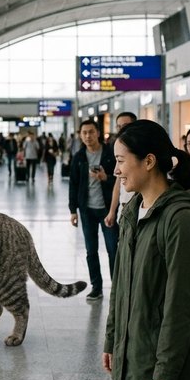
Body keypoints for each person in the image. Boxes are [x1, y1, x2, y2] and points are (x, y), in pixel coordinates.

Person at [102, 119, 190, 380]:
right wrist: (112, 340)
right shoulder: (131, 212)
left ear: (148, 161)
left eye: (122, 161)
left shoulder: (180, 219)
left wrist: (167, 368)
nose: (116, 170)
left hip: (161, 378)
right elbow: (120, 286)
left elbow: (182, 302)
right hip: (129, 366)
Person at [68, 120, 118, 301]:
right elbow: (73, 185)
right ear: (80, 135)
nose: (87, 136)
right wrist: (73, 210)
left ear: (97, 132)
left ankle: (116, 286)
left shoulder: (110, 154)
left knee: (113, 249)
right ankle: (96, 287)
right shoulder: (79, 157)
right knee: (91, 250)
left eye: (90, 132)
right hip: (87, 210)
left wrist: (106, 177)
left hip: (107, 209)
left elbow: (122, 181)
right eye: (84, 133)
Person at [104, 112, 137, 228]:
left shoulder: (142, 150)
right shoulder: (119, 148)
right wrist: (112, 211)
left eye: (125, 125)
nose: (121, 129)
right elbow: (117, 186)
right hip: (123, 211)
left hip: (139, 212)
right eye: (118, 126)